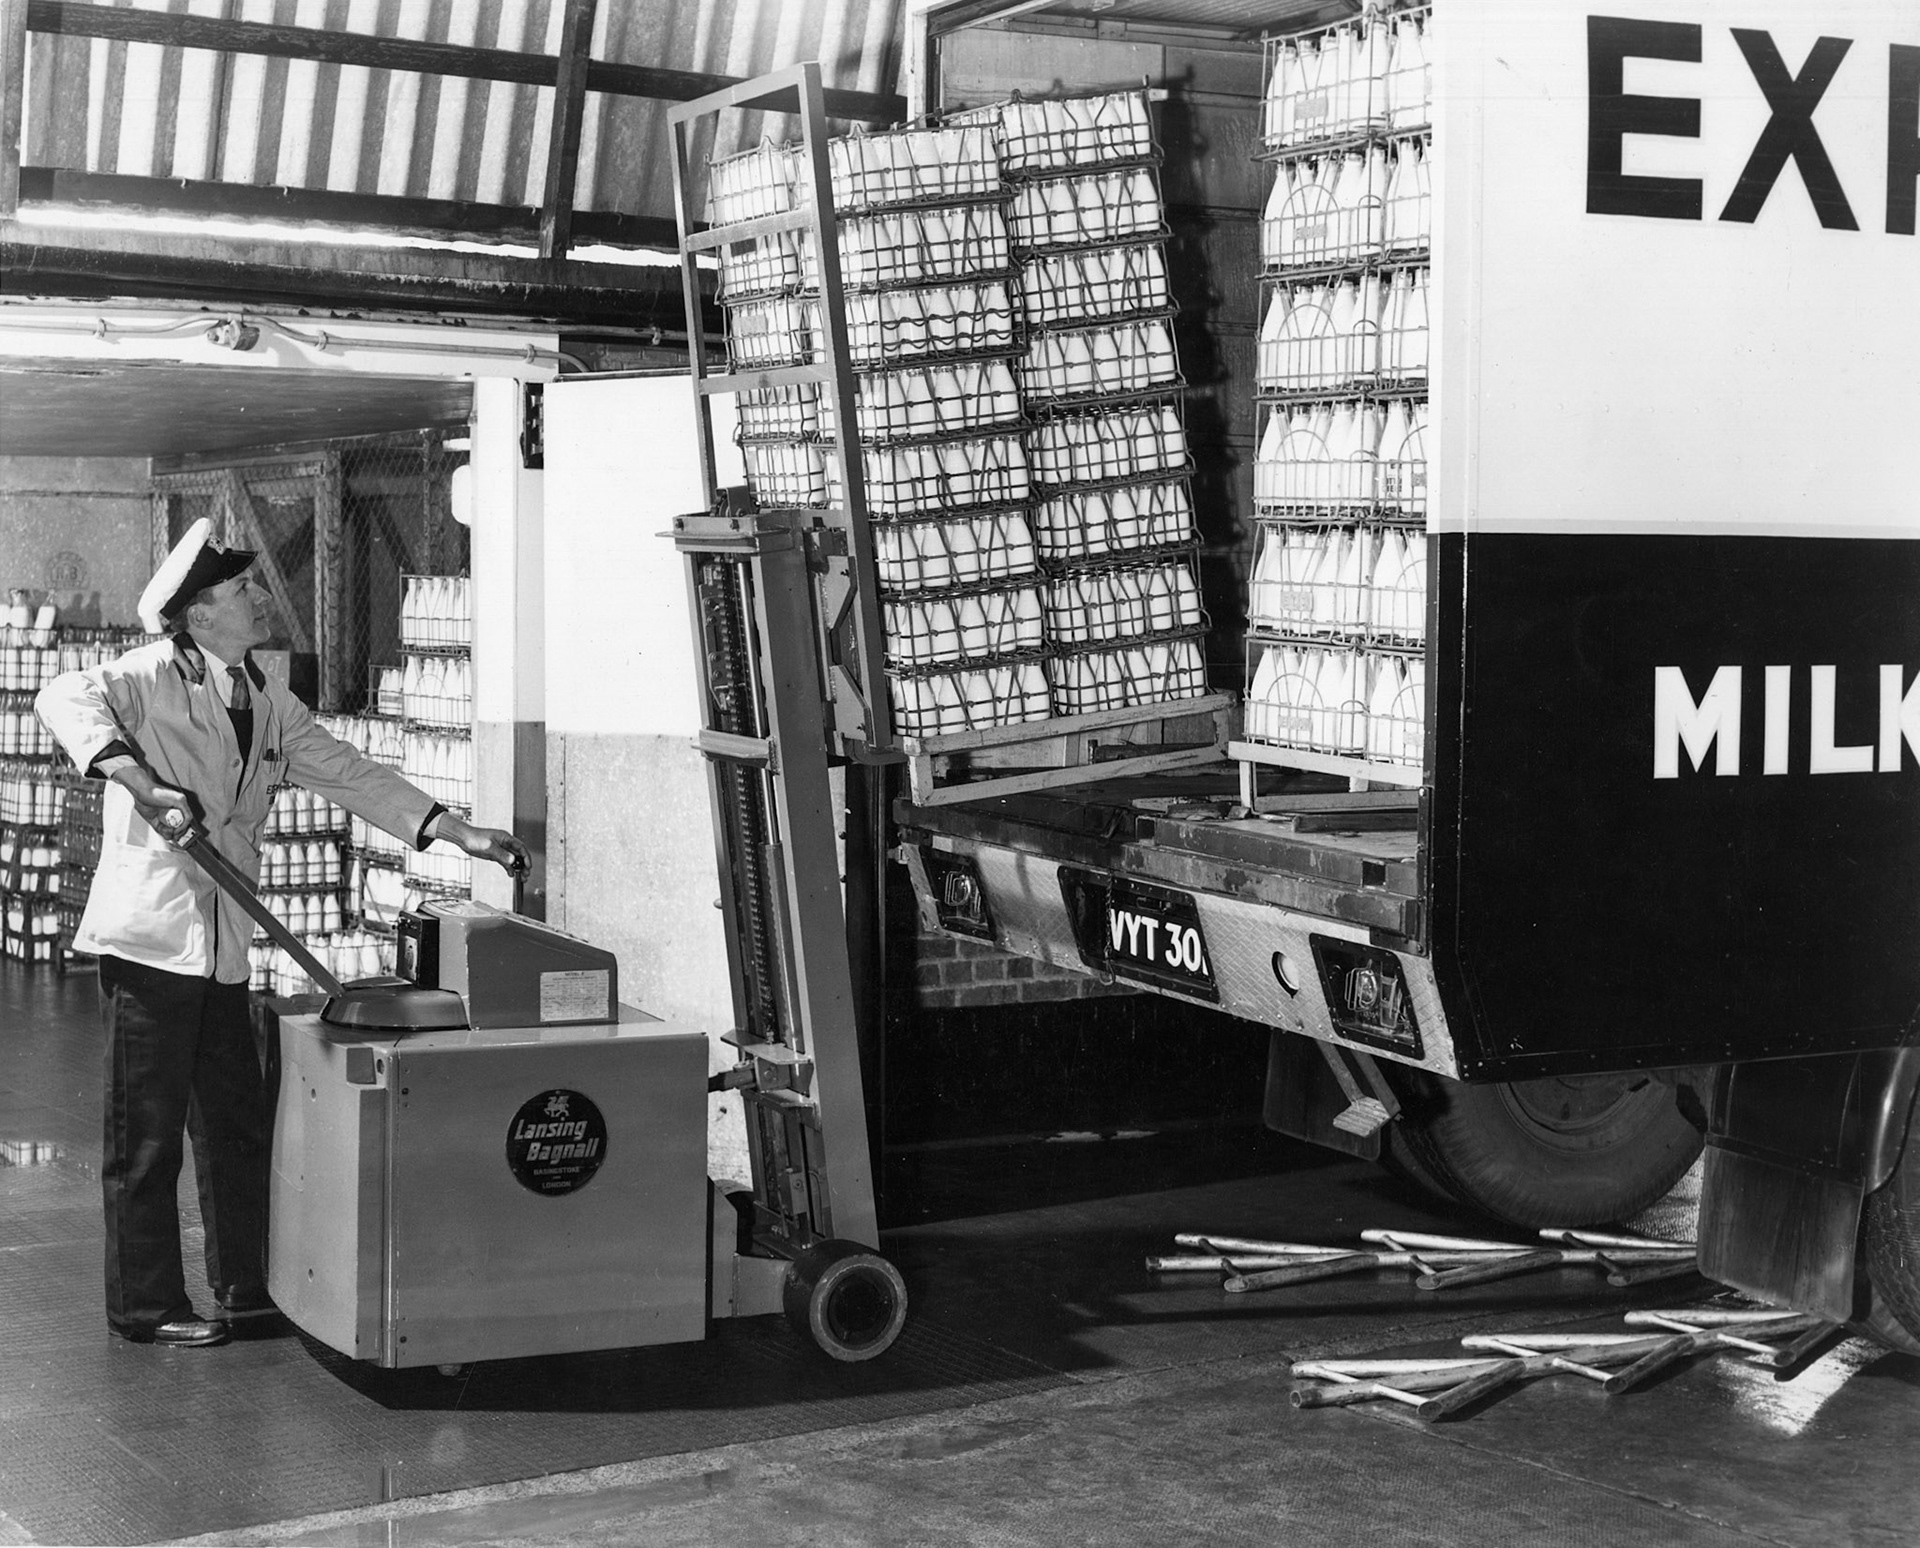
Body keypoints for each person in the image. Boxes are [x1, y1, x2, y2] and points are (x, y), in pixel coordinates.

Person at [36, 520, 529, 1348]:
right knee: (149, 1141)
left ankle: (245, 1290)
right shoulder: (148, 675)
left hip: (225, 947)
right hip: (153, 946)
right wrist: (137, 777)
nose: (258, 598)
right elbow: (62, 697)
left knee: (235, 1129)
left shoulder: (260, 694)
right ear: (198, 617)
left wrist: (453, 829)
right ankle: (146, 1308)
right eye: (238, 592)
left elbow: (345, 768)